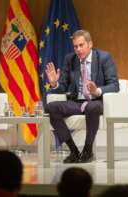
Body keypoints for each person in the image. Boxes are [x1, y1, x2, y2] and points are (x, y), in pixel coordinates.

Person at [45, 30, 119, 163]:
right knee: (51, 108)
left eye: (81, 45)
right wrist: (55, 84)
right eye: (75, 46)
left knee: (92, 107)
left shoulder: (104, 57)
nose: (78, 49)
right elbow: (63, 86)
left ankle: (88, 149)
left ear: (90, 44)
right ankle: (73, 151)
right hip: (77, 102)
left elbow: (114, 85)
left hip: (96, 101)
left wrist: (97, 91)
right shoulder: (70, 59)